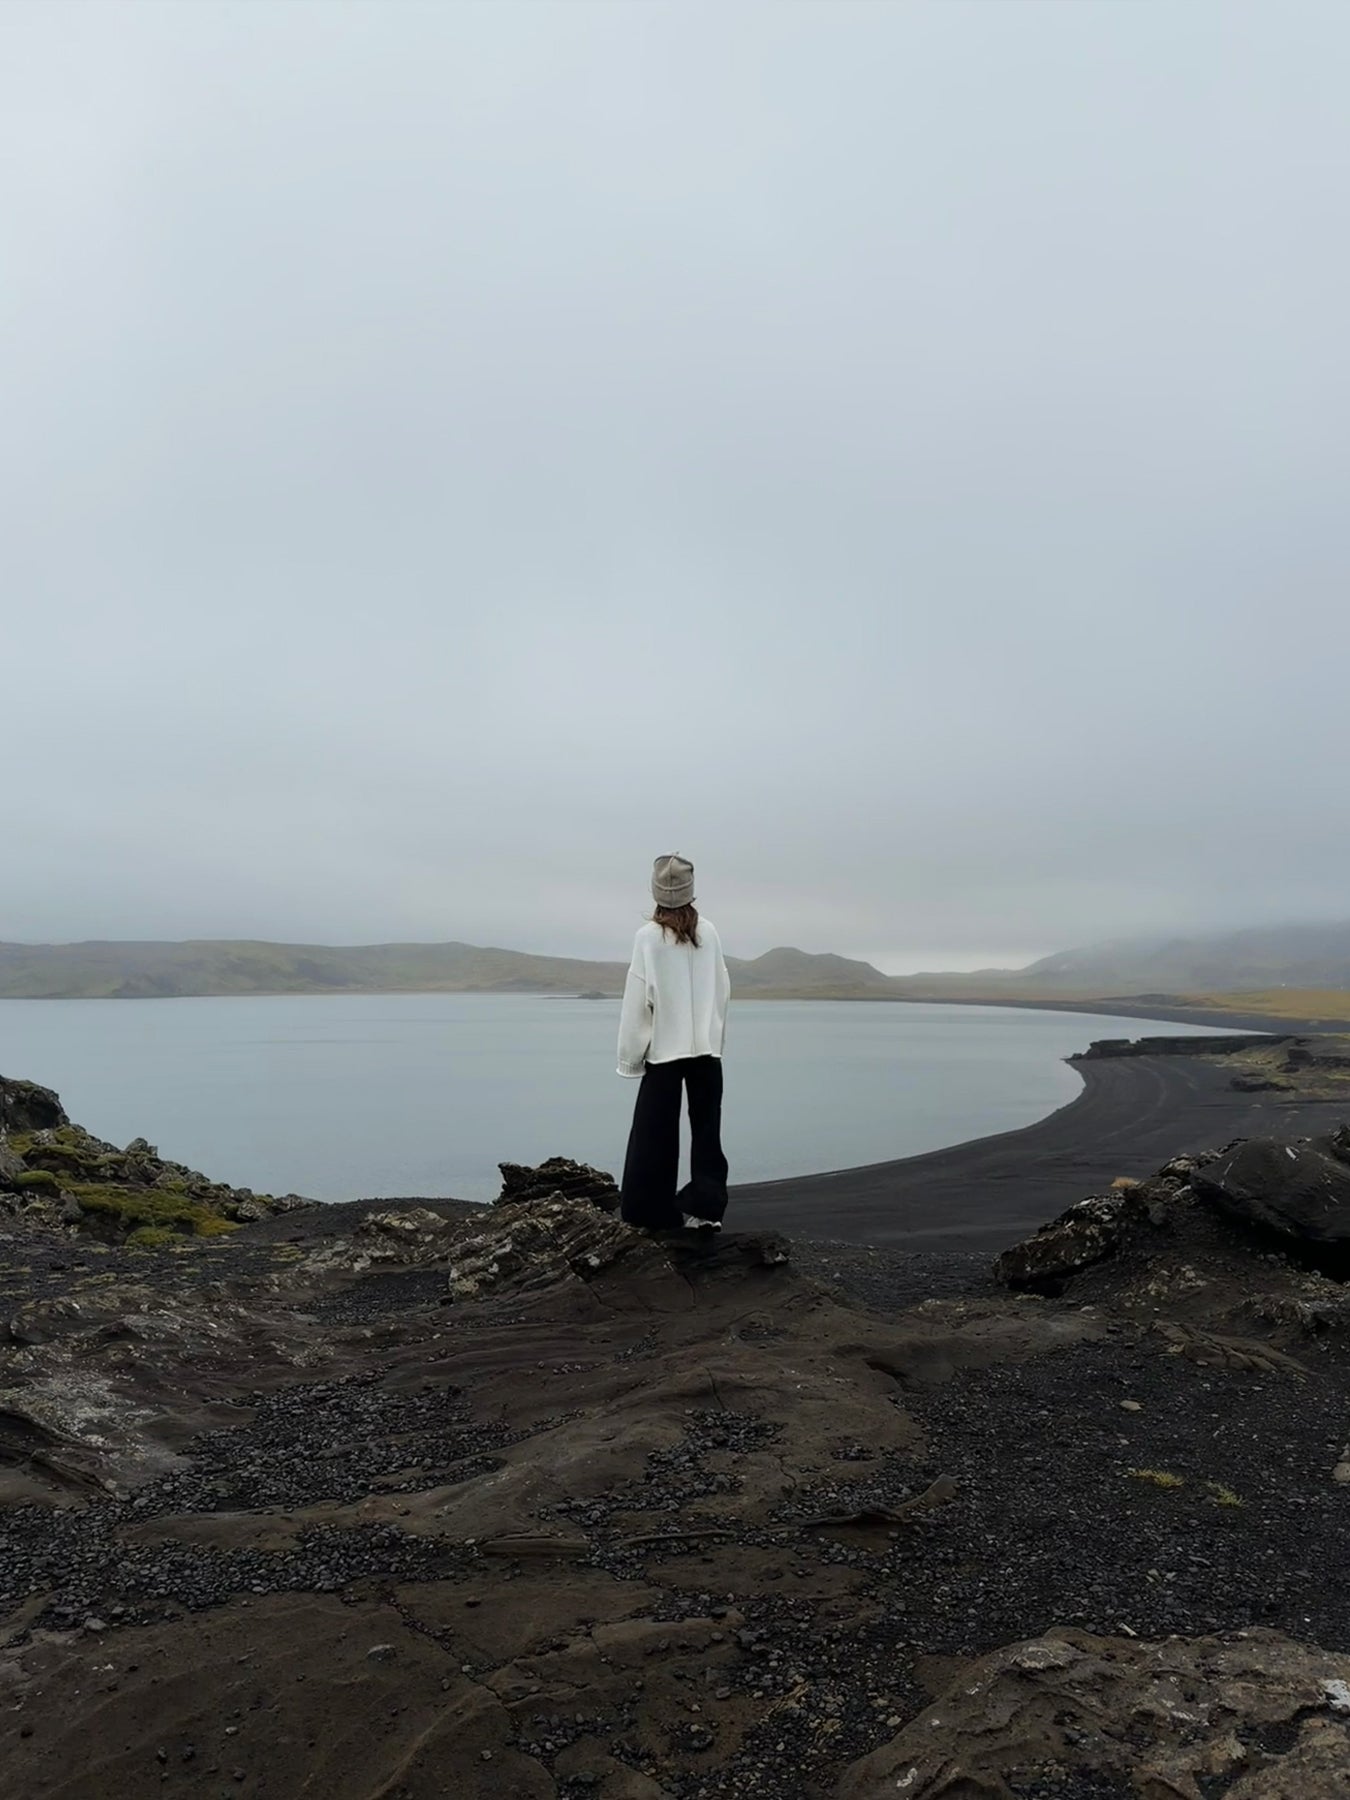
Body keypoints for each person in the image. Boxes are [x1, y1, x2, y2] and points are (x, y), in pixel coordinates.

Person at [616, 854, 731, 1232]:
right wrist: (715, 1040)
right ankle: (707, 1211)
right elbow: (722, 990)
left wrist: (630, 1059)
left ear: (656, 893)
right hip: (706, 1053)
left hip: (665, 1052)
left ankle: (651, 1212)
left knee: (654, 1133)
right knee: (707, 1133)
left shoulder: (648, 938)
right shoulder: (709, 933)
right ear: (690, 892)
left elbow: (638, 1002)